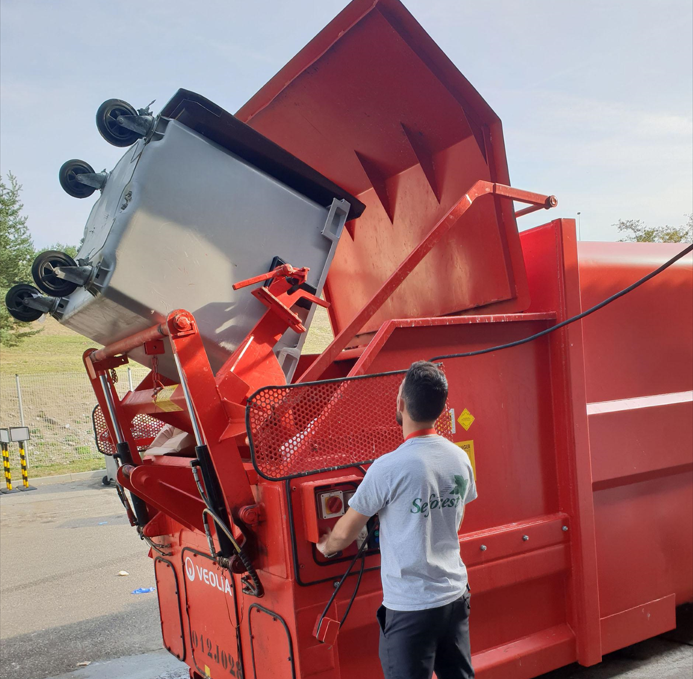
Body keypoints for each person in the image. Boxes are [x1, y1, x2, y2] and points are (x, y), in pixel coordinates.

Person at [317, 361, 477, 679]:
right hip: (455, 597)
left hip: (411, 609)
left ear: (401, 403)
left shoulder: (388, 468)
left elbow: (345, 534)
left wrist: (325, 546)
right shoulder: (459, 457)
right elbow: (456, 515)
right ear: (442, 408)